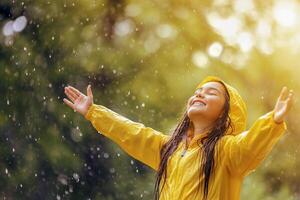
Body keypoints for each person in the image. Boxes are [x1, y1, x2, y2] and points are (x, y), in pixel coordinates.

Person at [63, 76, 294, 200]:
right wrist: (94, 112)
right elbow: (132, 133)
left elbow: (250, 145)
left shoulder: (227, 151)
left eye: (211, 92)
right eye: (197, 92)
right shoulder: (169, 149)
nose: (200, 93)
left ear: (227, 115)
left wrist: (273, 122)